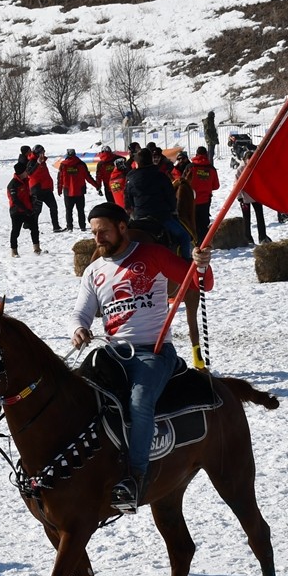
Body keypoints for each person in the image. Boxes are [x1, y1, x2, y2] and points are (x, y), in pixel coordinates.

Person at [71, 203, 212, 513]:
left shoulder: (153, 255)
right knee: (75, 393)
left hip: (153, 352)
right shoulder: (94, 271)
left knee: (139, 402)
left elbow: (202, 283)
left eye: (104, 231)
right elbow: (82, 311)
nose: (99, 238)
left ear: (123, 227)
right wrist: (79, 327)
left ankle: (135, 476)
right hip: (112, 352)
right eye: (94, 232)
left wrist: (200, 265)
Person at [58, 148, 99, 231]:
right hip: (80, 192)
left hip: (68, 191)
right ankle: (82, 226)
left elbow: (60, 178)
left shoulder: (63, 165)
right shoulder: (81, 164)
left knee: (68, 211)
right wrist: (97, 186)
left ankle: (70, 227)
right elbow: (88, 177)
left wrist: (59, 189)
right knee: (81, 210)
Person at [185, 147, 221, 236]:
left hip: (191, 201)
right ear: (206, 155)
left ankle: (195, 244)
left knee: (193, 224)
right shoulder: (211, 168)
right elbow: (216, 186)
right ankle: (204, 244)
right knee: (204, 225)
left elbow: (183, 183)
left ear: (196, 155)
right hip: (205, 200)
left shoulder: (190, 167)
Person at [27, 144, 63, 233]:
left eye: (44, 152)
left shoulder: (43, 161)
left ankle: (56, 226)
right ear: (38, 153)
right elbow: (30, 174)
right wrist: (38, 164)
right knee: (37, 211)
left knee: (53, 207)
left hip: (46, 189)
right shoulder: (31, 162)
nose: (44, 153)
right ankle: (33, 227)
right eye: (42, 152)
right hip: (37, 190)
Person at [8, 160, 40, 257]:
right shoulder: (13, 184)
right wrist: (26, 209)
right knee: (16, 231)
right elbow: (15, 200)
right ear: (21, 172)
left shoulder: (26, 181)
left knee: (34, 229)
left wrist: (33, 200)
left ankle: (37, 248)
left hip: (28, 210)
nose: (27, 172)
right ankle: (14, 251)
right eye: (25, 171)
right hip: (17, 211)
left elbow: (28, 195)